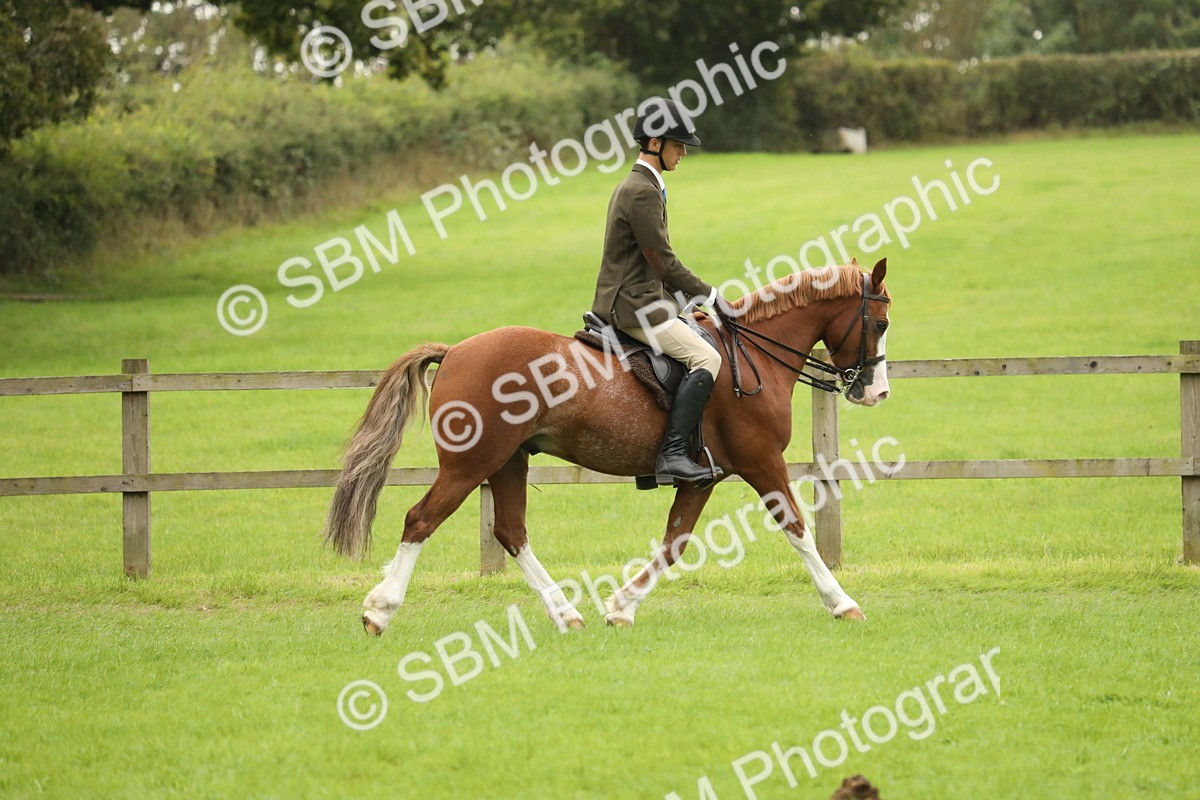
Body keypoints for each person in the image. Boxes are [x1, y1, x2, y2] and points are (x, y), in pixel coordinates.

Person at [590, 98, 731, 485]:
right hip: (633, 307)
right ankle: (670, 456)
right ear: (655, 143)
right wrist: (712, 295)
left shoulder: (644, 185)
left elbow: (652, 264)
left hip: (644, 297)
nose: (684, 151)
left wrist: (684, 303)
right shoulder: (642, 192)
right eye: (678, 144)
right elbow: (664, 261)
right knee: (706, 357)